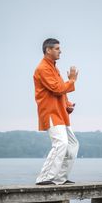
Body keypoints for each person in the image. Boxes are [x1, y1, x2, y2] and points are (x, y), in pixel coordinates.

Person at [34, 38, 79, 185]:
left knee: (72, 145)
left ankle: (60, 178)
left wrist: (67, 104)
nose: (61, 51)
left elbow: (60, 91)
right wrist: (72, 80)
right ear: (48, 50)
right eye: (57, 48)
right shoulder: (43, 68)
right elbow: (57, 89)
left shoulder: (54, 68)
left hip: (61, 112)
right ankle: (44, 178)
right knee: (61, 144)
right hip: (51, 112)